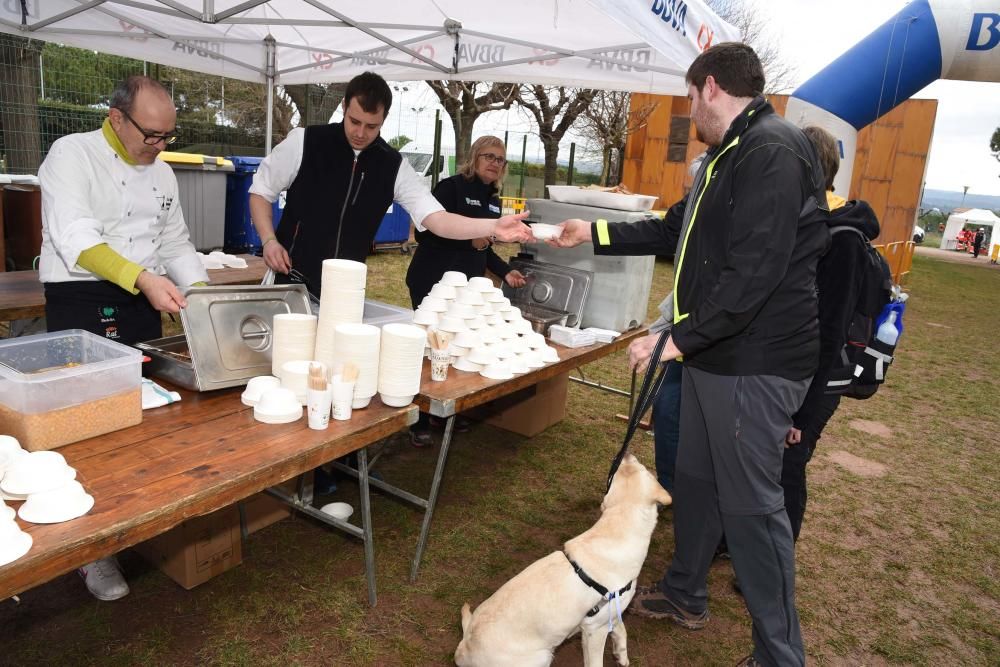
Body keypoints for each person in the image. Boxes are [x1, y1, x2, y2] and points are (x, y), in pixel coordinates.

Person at [553, 43, 829, 666]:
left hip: (755, 363)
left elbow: (754, 273)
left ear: (708, 87)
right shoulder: (727, 156)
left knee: (754, 510)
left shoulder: (772, 150)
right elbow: (672, 228)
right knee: (697, 484)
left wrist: (674, 340)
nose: (689, 111)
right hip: (714, 355)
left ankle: (781, 657)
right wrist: (590, 231)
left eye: (688, 98)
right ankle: (685, 593)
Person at [38, 75, 208, 601]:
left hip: (143, 298)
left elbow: (175, 242)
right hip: (83, 296)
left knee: (150, 411)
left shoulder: (161, 174)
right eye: (151, 135)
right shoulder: (71, 156)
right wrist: (143, 278)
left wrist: (201, 296)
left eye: (167, 138)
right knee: (89, 423)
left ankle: (139, 516)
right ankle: (93, 555)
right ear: (116, 117)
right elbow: (76, 239)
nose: (159, 147)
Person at [248, 72, 531, 298]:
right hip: (289, 280)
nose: (360, 133)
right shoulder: (305, 141)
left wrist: (492, 226)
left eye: (371, 126)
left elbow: (437, 219)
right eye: (354, 121)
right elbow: (261, 191)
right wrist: (269, 240)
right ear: (345, 106)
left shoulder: (393, 165)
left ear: (384, 119)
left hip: (345, 291)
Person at [781, 126, 879, 542]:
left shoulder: (843, 240)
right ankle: (736, 543)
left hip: (822, 377)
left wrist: (802, 414)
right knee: (766, 462)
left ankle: (774, 559)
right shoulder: (805, 221)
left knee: (788, 462)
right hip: (789, 368)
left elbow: (831, 330)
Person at [404, 135, 527, 446]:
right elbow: (424, 233)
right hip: (432, 283)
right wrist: (466, 240)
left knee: (452, 350)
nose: (494, 163)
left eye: (500, 160)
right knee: (427, 352)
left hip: (465, 291)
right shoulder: (451, 187)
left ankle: (440, 413)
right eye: (488, 156)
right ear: (474, 158)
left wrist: (505, 271)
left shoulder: (493, 201)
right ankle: (414, 418)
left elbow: (483, 247)